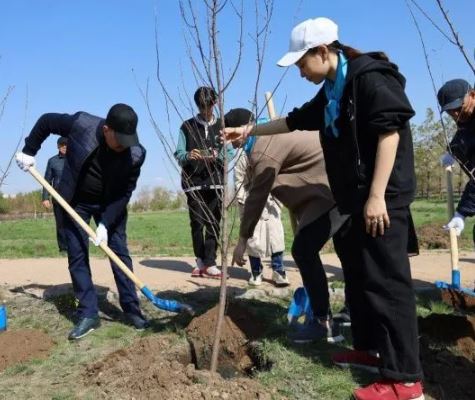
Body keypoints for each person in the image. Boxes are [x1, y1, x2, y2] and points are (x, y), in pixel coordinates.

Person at [223, 17, 423, 400]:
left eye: (301, 64)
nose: (300, 72)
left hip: (382, 199)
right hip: (353, 200)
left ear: (321, 51)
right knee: (361, 275)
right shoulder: (334, 89)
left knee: (388, 284)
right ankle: (369, 349)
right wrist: (248, 130)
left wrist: (378, 195)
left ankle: (406, 380)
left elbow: (389, 134)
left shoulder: (369, 78)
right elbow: (294, 121)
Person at [15, 103, 149, 340]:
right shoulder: (82, 125)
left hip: (110, 204)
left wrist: (106, 223)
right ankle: (88, 313)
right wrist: (29, 150)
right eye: (119, 140)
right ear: (106, 129)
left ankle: (132, 309)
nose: (123, 147)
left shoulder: (136, 154)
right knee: (77, 255)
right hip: (76, 201)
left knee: (119, 252)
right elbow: (46, 120)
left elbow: (125, 192)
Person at [226, 108, 347, 343]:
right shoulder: (271, 135)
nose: (232, 144)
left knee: (303, 250)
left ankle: (323, 323)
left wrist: (242, 240)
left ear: (243, 130)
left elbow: (256, 196)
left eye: (233, 136)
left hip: (332, 193)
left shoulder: (264, 149)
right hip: (337, 188)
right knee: (348, 253)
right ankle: (353, 313)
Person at [174, 86, 233, 279]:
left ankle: (211, 262)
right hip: (194, 183)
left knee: (214, 223)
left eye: (208, 106)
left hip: (216, 182)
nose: (205, 111)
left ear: (214, 104)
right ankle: (200, 261)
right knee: (197, 223)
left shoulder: (223, 126)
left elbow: (229, 152)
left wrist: (218, 155)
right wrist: (190, 155)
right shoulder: (186, 126)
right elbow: (179, 153)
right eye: (201, 107)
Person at [231, 111, 287, 287]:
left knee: (275, 237)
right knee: (252, 239)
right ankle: (256, 272)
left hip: (270, 201)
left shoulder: (268, 147)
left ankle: (279, 270)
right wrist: (245, 200)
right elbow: (239, 181)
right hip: (251, 201)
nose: (232, 142)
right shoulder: (241, 157)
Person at [438, 80, 475, 241]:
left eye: (458, 108)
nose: (455, 114)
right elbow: (465, 136)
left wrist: (462, 212)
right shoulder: (467, 119)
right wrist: (453, 152)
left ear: (472, 95)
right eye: (450, 111)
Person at [42, 136, 68, 252]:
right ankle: (63, 248)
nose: (64, 147)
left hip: (75, 198)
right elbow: (47, 181)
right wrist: (45, 198)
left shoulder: (76, 160)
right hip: (58, 198)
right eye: (62, 145)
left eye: (66, 145)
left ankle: (76, 247)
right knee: (61, 224)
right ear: (58, 146)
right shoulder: (52, 161)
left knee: (75, 223)